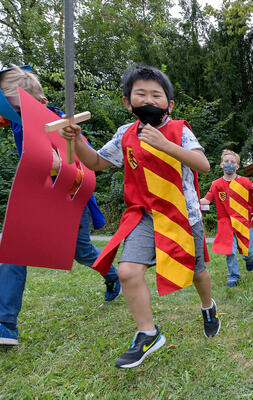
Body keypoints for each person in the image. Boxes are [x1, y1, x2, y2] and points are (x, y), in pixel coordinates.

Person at [60, 65, 221, 369]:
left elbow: (203, 164)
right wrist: (78, 139)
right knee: (128, 272)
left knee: (196, 272)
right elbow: (95, 162)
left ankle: (207, 306)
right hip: (144, 216)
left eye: (156, 95)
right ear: (127, 101)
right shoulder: (125, 134)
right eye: (141, 94)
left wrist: (165, 144)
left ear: (169, 104)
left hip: (183, 216)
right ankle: (148, 334)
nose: (148, 99)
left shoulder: (180, 130)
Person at [0, 66, 121, 348]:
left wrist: (59, 168)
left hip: (69, 202)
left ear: (36, 103)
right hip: (36, 197)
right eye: (10, 109)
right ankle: (1, 324)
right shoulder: (17, 115)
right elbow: (4, 116)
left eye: (17, 107)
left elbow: (87, 172)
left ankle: (112, 274)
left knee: (83, 252)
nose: (14, 113)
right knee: (13, 250)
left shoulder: (63, 125)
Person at [200, 149, 253, 287]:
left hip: (244, 222)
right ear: (221, 165)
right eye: (226, 161)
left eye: (232, 162)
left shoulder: (245, 181)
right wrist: (194, 201)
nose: (229, 164)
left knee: (247, 253)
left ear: (237, 166)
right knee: (229, 251)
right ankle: (234, 276)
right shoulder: (216, 184)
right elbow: (207, 200)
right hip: (226, 223)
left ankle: (248, 259)